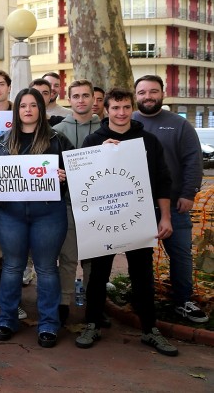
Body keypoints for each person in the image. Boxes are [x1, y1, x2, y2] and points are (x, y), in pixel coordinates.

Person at [75, 88, 178, 356]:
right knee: (98, 275)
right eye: (115, 108)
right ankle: (92, 323)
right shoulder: (92, 141)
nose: (121, 113)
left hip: (138, 218)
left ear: (131, 108)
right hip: (103, 220)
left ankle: (149, 329)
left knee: (142, 274)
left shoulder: (149, 141)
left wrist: (165, 216)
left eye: (125, 108)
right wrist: (99, 154)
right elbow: (82, 182)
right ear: (105, 110)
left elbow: (163, 181)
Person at [0, 88, 72, 348]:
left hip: (49, 214)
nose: (28, 110)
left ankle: (48, 324)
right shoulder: (0, 143)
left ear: (41, 110)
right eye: (23, 106)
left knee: (46, 269)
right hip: (11, 215)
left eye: (33, 105)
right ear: (17, 109)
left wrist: (65, 178)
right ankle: (7, 318)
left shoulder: (57, 140)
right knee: (11, 267)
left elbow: (75, 173)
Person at [133, 75, 208, 323]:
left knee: (180, 254)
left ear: (162, 94)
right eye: (142, 92)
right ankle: (140, 297)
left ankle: (182, 300)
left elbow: (193, 162)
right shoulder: (127, 121)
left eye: (153, 91)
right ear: (136, 96)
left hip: (175, 204)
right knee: (137, 256)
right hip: (136, 206)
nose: (148, 97)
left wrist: (189, 193)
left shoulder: (179, 125)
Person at [52, 79, 101, 323]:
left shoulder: (106, 128)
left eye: (85, 95)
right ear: (68, 100)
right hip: (69, 203)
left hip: (98, 205)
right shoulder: (58, 131)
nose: (81, 100)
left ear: (94, 99)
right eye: (76, 96)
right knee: (68, 256)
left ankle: (95, 305)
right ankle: (63, 303)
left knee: (94, 257)